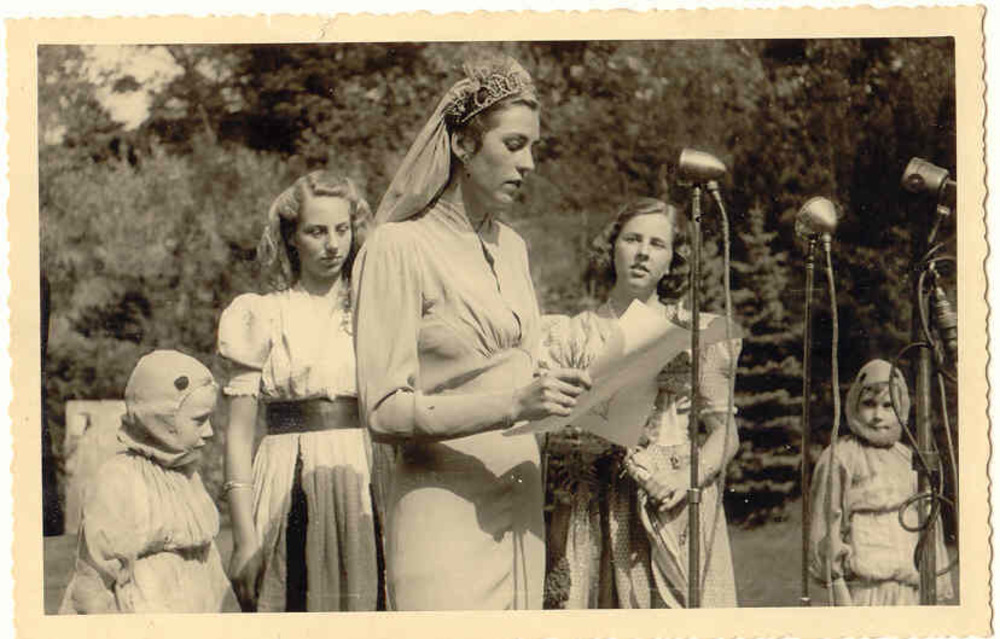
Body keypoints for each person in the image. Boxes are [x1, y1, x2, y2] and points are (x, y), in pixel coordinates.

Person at [352, 53, 591, 611]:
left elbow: (521, 371)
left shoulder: (514, 249)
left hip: (521, 503)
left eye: (533, 148)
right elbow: (382, 411)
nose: (529, 164)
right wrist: (512, 404)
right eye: (514, 145)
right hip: (444, 511)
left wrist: (568, 400)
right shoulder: (398, 247)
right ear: (462, 144)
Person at [543, 197, 741, 608]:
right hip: (592, 505)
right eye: (632, 239)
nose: (643, 253)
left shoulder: (692, 334)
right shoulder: (572, 334)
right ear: (612, 247)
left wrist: (686, 479)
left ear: (672, 261)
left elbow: (726, 433)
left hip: (670, 500)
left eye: (657, 244)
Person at [218, 171, 379, 612]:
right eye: (316, 231)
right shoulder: (264, 314)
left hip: (361, 477)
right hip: (288, 479)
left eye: (342, 229)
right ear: (291, 236)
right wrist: (243, 537)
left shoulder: (372, 310)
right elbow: (238, 434)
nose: (333, 245)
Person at [59, 350, 237, 614]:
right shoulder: (119, 478)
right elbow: (93, 578)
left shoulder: (187, 476)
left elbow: (211, 567)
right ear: (161, 418)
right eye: (199, 420)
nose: (209, 431)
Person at [809, 359, 954, 605]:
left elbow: (930, 523)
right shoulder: (842, 457)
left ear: (902, 407)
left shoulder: (908, 457)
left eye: (888, 406)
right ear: (854, 404)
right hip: (864, 591)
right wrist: (838, 589)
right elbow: (825, 528)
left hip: (910, 590)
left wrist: (935, 587)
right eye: (869, 404)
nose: (878, 416)